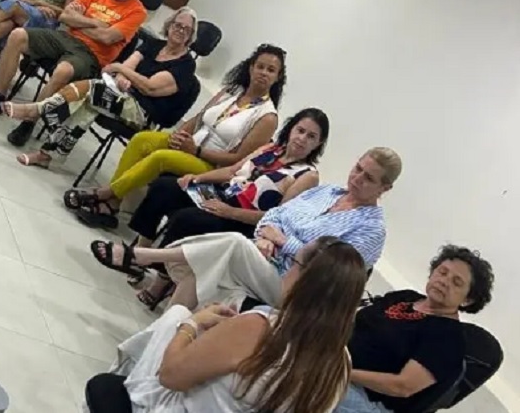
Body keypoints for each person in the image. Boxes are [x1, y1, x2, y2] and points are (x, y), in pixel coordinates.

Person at [91, 147, 400, 311]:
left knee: (233, 244)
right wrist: (267, 236)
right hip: (261, 257)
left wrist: (283, 243)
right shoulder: (326, 192)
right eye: (358, 168)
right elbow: (275, 215)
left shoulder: (371, 230)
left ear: (384, 188)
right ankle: (161, 341)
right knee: (204, 269)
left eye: (368, 178)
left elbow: (331, 271)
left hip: (292, 288)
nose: (357, 178)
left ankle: (144, 256)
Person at [89, 237, 365, 413]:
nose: (286, 271)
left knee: (176, 316)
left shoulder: (259, 329)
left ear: (305, 278)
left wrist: (192, 325)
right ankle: (122, 378)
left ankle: (122, 383)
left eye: (293, 262)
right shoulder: (341, 366)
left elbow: (170, 376)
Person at [64, 43, 286, 216]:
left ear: (277, 77)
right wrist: (177, 136)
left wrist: (196, 151)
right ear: (251, 67)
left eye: (271, 70)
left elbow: (238, 161)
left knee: (161, 157)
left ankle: (106, 194)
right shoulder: (232, 91)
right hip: (191, 145)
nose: (263, 73)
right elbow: (199, 119)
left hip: (211, 165)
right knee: (142, 139)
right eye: (260, 66)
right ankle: (114, 202)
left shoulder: (267, 116)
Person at [0, 0, 149, 136]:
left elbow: (107, 38)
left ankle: (30, 121)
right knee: (17, 35)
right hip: (66, 37)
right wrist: (94, 23)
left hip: (91, 55)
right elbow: (65, 16)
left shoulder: (137, 11)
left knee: (63, 71)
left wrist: (78, 22)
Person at [1, 7, 198, 170]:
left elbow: (150, 87)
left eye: (187, 29)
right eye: (177, 25)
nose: (180, 30)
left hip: (142, 113)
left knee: (92, 91)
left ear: (191, 36)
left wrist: (120, 69)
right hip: (119, 95)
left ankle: (36, 110)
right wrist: (122, 76)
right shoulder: (154, 44)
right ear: (169, 25)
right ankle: (46, 155)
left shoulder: (186, 65)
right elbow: (128, 66)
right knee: (88, 104)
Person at [122, 107, 329, 239]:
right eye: (300, 131)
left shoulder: (307, 175)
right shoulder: (271, 148)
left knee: (187, 219)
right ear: (291, 129)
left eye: (311, 137)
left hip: (242, 220)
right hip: (222, 196)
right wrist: (197, 178)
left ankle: (160, 275)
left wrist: (229, 211)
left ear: (318, 144)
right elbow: (232, 171)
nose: (302, 139)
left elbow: (276, 218)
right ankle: (141, 252)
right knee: (166, 186)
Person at [338, 245, 495, 413]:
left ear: (468, 300)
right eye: (442, 272)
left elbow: (402, 386)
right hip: (338, 365)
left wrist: (341, 373)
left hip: (366, 397)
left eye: (456, 283)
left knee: (316, 381)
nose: (444, 281)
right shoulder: (406, 297)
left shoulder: (448, 338)